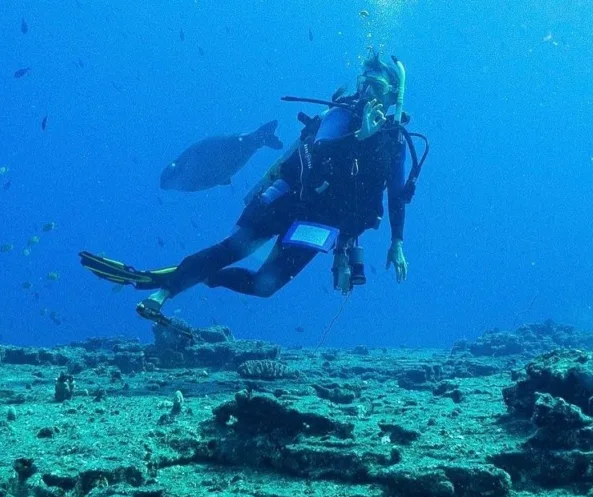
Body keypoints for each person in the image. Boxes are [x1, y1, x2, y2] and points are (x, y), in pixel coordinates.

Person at [80, 53, 428, 331]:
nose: (368, 93)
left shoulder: (395, 142)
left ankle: (195, 275)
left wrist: (396, 242)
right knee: (233, 249)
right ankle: (163, 291)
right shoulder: (339, 114)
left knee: (264, 286)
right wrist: (359, 138)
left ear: (392, 95)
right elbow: (317, 155)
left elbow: (392, 194)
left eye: (377, 87)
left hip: (319, 223)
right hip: (288, 196)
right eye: (364, 84)